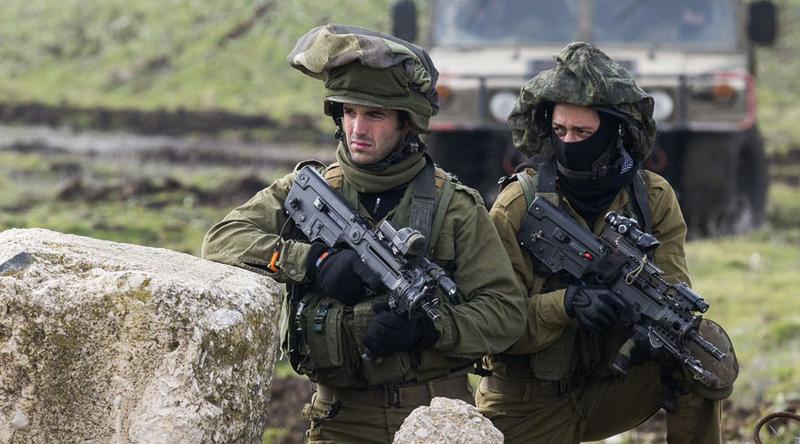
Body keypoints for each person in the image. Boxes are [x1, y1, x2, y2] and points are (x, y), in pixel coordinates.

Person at [201, 24, 526, 444]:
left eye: (374, 115)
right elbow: (222, 239)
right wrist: (313, 262)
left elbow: (505, 314)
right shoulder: (310, 188)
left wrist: (430, 330)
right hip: (340, 417)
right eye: (349, 112)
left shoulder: (455, 206)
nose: (358, 128)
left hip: (436, 416)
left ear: (406, 123)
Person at [475, 42, 738, 443]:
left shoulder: (652, 197)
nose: (569, 143)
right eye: (560, 131)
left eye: (583, 132)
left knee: (700, 353)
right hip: (527, 399)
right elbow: (493, 322)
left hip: (611, 385)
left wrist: (645, 328)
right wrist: (567, 304)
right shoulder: (518, 206)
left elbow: (672, 287)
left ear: (616, 132)